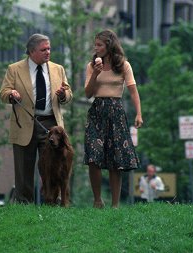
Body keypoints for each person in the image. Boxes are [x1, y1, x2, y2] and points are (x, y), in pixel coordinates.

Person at [0, 33, 73, 204]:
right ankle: (24, 204)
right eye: (43, 49)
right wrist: (11, 94)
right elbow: (3, 93)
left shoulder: (58, 69)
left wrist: (64, 95)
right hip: (25, 123)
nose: (48, 52)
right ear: (32, 52)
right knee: (24, 168)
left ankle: (52, 201)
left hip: (51, 126)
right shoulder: (14, 69)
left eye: (49, 48)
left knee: (53, 166)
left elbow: (69, 94)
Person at [84, 29, 143, 208]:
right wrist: (95, 73)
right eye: (95, 44)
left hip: (116, 112)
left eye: (99, 44)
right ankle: (97, 200)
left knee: (115, 160)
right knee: (93, 156)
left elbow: (133, 91)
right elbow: (87, 94)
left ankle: (115, 205)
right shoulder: (91, 65)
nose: (96, 48)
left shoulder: (123, 65)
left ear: (109, 45)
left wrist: (139, 113)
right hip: (97, 112)